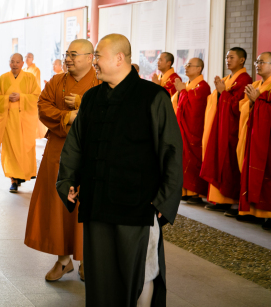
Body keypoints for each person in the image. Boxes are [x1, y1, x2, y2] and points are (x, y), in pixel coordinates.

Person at [57, 34, 183, 307]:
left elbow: (171, 151)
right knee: (101, 275)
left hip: (137, 204)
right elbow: (75, 144)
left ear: (119, 58)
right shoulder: (91, 98)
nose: (95, 63)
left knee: (141, 272)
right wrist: (67, 179)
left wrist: (165, 197)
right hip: (97, 201)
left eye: (98, 56)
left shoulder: (153, 96)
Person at [25, 39, 99, 282]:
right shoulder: (56, 81)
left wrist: (81, 105)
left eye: (74, 55)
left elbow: (109, 111)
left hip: (90, 155)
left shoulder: (100, 81)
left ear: (90, 58)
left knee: (87, 206)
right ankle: (63, 260)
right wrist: (66, 116)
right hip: (58, 151)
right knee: (58, 208)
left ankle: (88, 260)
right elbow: (43, 107)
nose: (68, 59)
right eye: (67, 54)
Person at [200, 47, 252, 217]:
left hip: (232, 129)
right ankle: (220, 200)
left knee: (229, 162)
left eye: (231, 57)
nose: (227, 60)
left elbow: (238, 107)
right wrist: (219, 93)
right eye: (226, 57)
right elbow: (217, 102)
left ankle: (232, 201)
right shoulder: (227, 78)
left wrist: (223, 92)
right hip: (221, 126)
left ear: (242, 60)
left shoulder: (244, 79)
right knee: (218, 159)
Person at [0, 53, 40, 193]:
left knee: (24, 148)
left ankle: (22, 175)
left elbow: (37, 97)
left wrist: (21, 97)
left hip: (24, 121)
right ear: (9, 63)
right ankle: (13, 180)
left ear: (22, 63)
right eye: (12, 61)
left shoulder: (30, 78)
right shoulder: (3, 79)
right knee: (10, 150)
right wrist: (6, 99)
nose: (15, 64)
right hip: (8, 121)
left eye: (18, 62)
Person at [237, 52, 271, 229]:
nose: (257, 64)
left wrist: (260, 101)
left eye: (262, 62)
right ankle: (254, 211)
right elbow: (243, 107)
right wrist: (252, 103)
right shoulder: (256, 84)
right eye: (257, 61)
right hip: (255, 134)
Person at [172, 58, 211, 203]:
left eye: (190, 65)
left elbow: (195, 110)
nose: (186, 67)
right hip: (184, 128)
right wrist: (183, 91)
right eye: (186, 65)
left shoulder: (203, 87)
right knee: (183, 158)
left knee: (193, 158)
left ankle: (195, 192)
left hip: (195, 129)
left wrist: (182, 91)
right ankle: (185, 190)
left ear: (199, 68)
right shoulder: (188, 84)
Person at [24, 52, 47, 138]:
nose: (27, 58)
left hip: (32, 95)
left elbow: (36, 83)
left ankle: (34, 133)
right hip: (24, 95)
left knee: (33, 116)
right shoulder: (23, 70)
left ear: (32, 59)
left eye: (29, 57)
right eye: (26, 56)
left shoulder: (36, 70)